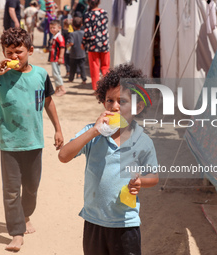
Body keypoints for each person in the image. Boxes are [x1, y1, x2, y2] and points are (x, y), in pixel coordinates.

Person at [0, 27, 64, 252]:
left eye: (19, 52)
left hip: (34, 143)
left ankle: (26, 214)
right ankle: (16, 232)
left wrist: (58, 129)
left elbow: (48, 102)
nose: (14, 57)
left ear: (30, 50)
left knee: (31, 188)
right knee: (11, 190)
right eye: (9, 52)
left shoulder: (41, 75)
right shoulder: (1, 78)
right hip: (10, 144)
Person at [58, 63, 159, 255]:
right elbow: (63, 156)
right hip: (94, 221)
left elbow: (153, 177)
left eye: (122, 101)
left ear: (137, 106)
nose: (115, 107)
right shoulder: (93, 134)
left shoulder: (143, 141)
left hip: (125, 224)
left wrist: (140, 182)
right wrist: (94, 131)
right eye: (109, 100)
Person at [82, 0, 110, 90]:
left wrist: (83, 43)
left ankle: (97, 89)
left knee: (95, 68)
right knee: (105, 67)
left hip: (93, 45)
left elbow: (87, 32)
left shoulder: (88, 14)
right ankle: (107, 88)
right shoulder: (104, 12)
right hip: (105, 43)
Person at [48, 20, 67, 96]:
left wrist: (60, 57)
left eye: (54, 28)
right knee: (55, 73)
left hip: (56, 58)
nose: (52, 29)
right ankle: (57, 89)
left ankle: (62, 89)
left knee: (56, 74)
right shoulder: (54, 37)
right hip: (53, 58)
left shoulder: (59, 37)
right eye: (50, 28)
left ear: (59, 28)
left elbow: (62, 47)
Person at [68, 17, 86, 84]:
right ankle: (84, 79)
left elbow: (71, 43)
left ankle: (71, 79)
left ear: (73, 25)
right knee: (82, 67)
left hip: (74, 54)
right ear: (81, 24)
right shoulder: (83, 33)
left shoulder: (72, 34)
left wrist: (68, 45)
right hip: (82, 53)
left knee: (72, 67)